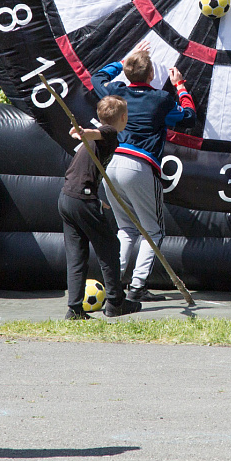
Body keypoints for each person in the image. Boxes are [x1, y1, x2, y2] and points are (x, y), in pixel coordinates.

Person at [91, 40, 196, 302]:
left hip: (111, 164)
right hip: (140, 166)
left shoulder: (116, 92)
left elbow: (97, 77)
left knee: (125, 230)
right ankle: (137, 287)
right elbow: (189, 117)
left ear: (126, 71)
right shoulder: (161, 99)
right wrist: (180, 86)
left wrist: (124, 59)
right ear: (152, 75)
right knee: (153, 231)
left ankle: (111, 286)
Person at [58, 95, 142, 320]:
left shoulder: (95, 140)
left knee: (76, 256)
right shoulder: (110, 134)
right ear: (123, 117)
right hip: (81, 200)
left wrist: (97, 198)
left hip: (68, 198)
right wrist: (86, 132)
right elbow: (101, 133)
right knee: (110, 248)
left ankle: (74, 309)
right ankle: (115, 302)